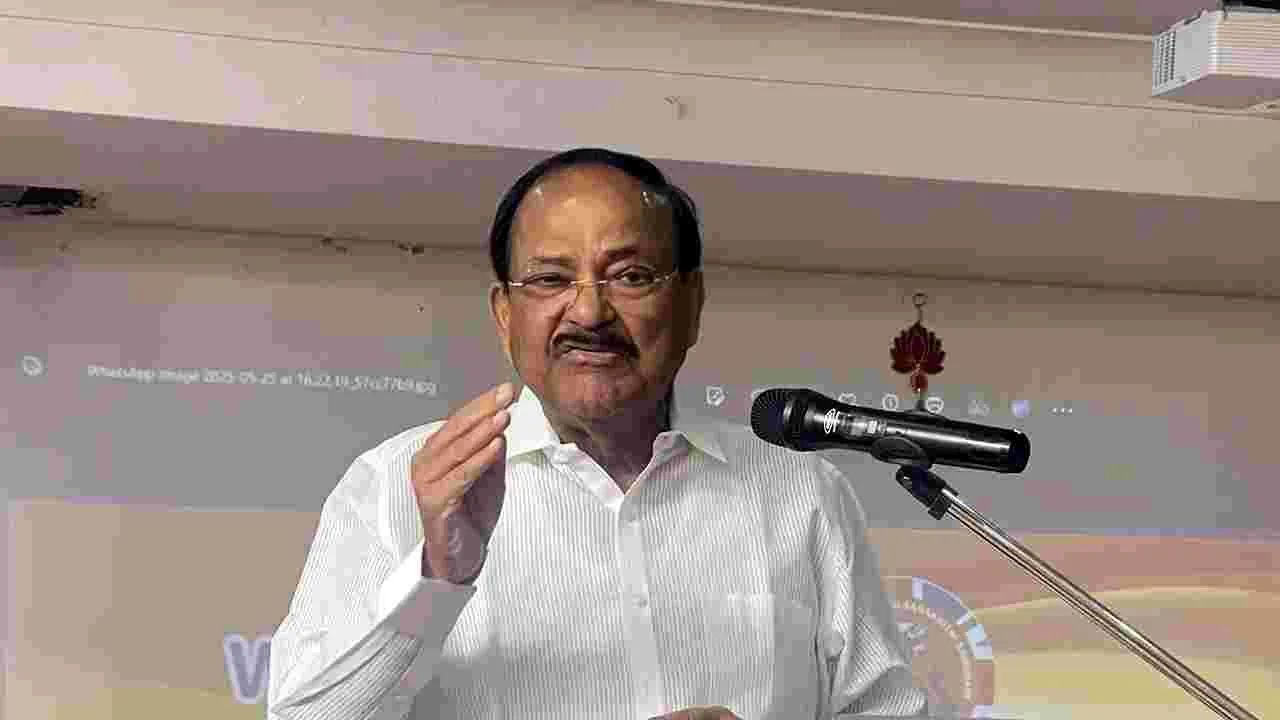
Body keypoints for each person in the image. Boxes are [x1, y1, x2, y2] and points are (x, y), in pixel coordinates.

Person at [266, 148, 927, 720]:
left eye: (631, 276)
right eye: (550, 279)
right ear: (504, 315)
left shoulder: (802, 492)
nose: (588, 311)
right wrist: (437, 579)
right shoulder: (394, 486)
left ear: (691, 304)